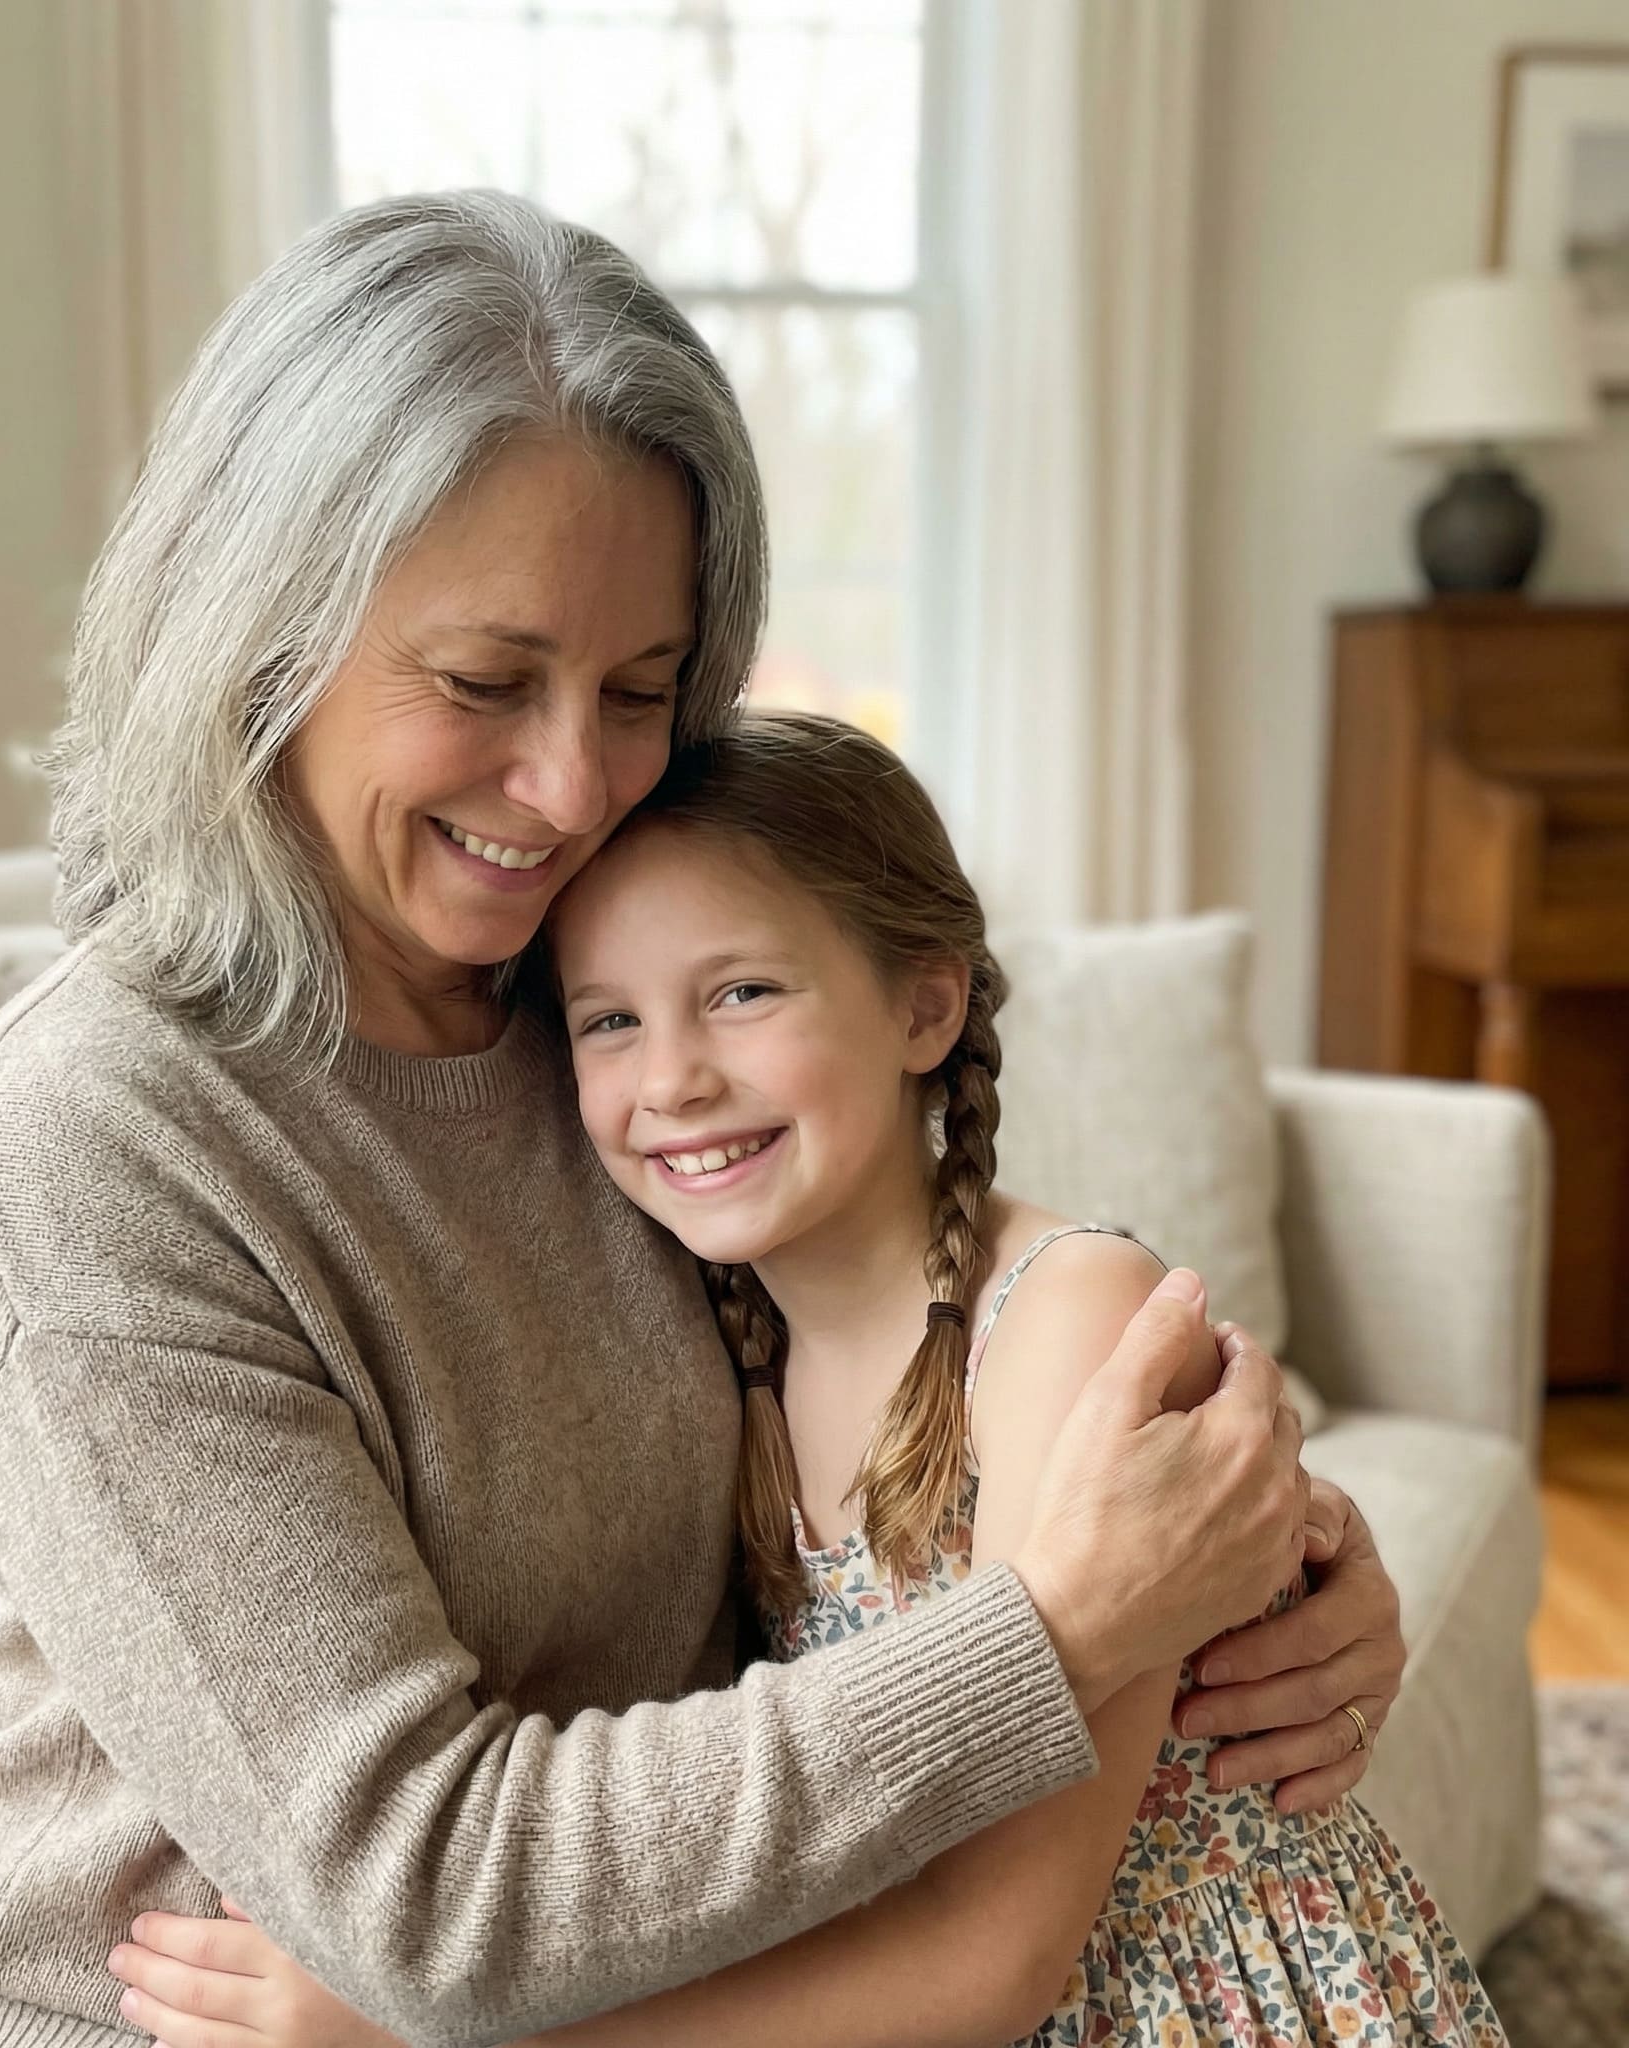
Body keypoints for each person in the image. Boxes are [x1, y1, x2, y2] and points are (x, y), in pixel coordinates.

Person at [0, 191, 1405, 2048]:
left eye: (639, 694)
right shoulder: (94, 1140)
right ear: (253, 627)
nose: (569, 784)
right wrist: (1073, 1625)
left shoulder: (589, 1010)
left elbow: (897, 1365)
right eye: (482, 681)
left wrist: (1269, 1559)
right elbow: (423, 1904)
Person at [105, 713, 1496, 2048]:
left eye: (743, 993)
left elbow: (996, 1960)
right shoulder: (715, 1333)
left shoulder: (1067, 1318)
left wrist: (446, 2033)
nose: (675, 1080)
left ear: (923, 1005)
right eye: (608, 1022)